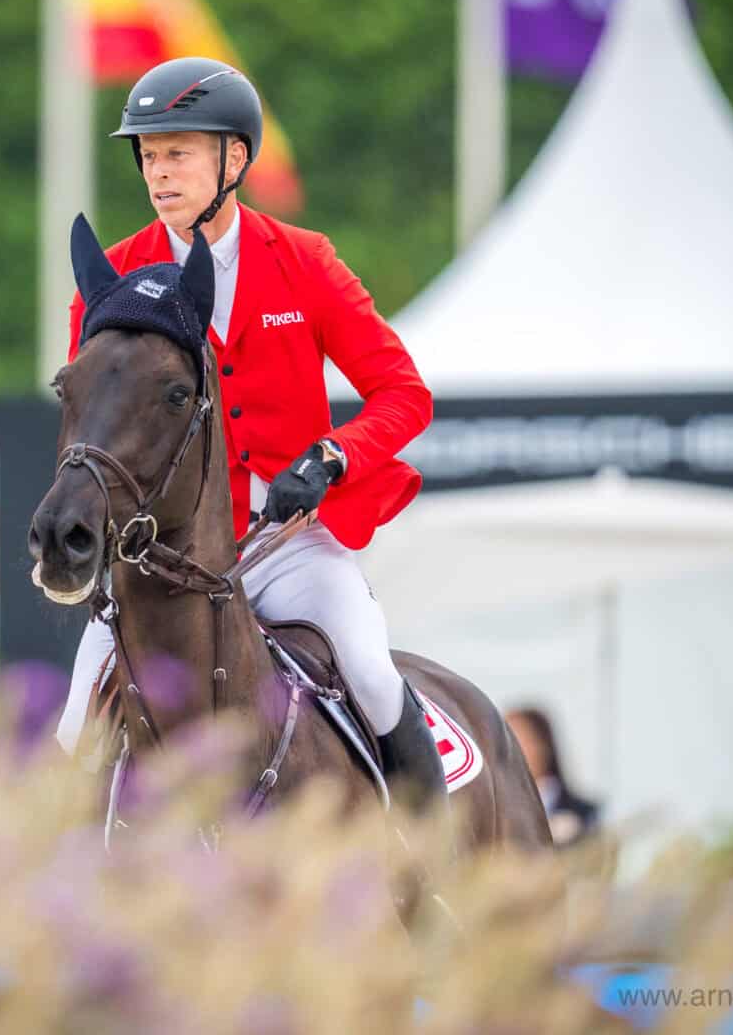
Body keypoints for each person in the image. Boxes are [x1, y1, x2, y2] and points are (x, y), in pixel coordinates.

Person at [55, 57, 445, 814]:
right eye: (148, 156)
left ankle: (431, 871)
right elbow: (91, 418)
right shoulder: (116, 277)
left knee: (369, 669)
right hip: (162, 562)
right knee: (75, 721)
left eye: (177, 153)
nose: (158, 174)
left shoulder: (304, 263)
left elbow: (404, 395)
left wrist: (333, 455)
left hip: (287, 544)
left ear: (234, 158)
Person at [506, 706, 600, 847]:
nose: (509, 753)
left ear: (543, 746)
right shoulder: (489, 817)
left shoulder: (586, 815)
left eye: (519, 742)